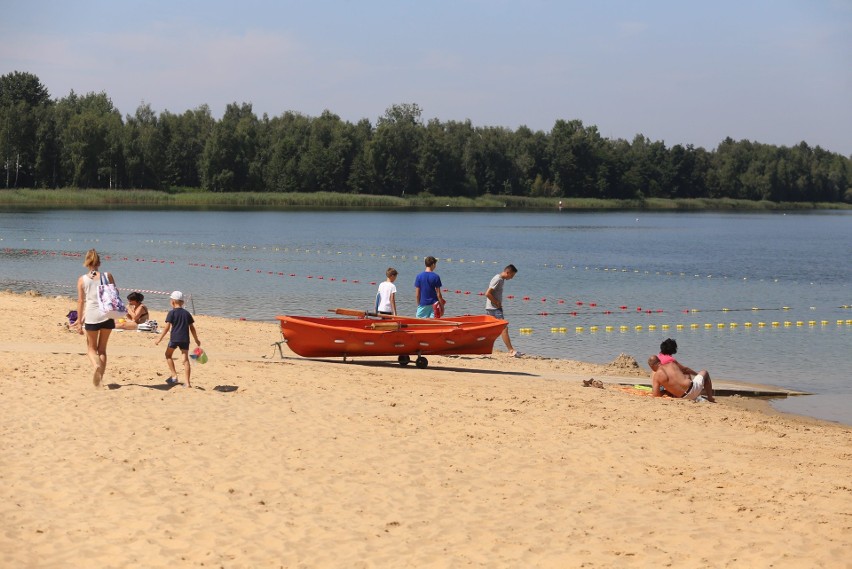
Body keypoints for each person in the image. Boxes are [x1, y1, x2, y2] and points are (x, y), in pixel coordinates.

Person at [74, 248, 116, 388]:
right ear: (99, 262)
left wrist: (79, 321)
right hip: (107, 315)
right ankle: (100, 379)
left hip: (92, 315)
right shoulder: (108, 276)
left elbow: (81, 302)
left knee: (91, 349)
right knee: (102, 350)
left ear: (86, 262)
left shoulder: (82, 280)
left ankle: (96, 365)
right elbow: (114, 295)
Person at [155, 291, 201, 388]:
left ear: (172, 301)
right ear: (182, 302)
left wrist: (159, 339)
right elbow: (192, 327)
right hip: (185, 339)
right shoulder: (187, 313)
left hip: (174, 339)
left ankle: (174, 375)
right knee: (185, 360)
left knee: (168, 355)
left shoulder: (171, 313)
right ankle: (188, 383)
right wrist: (196, 339)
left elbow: (167, 327)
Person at [648, 338, 715, 402]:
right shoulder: (672, 363)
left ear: (651, 366)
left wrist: (665, 391)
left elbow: (656, 395)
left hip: (682, 396)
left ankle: (697, 394)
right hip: (692, 389)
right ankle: (710, 398)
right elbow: (685, 370)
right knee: (704, 372)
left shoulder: (656, 375)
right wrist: (696, 374)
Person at [485, 264, 522, 357]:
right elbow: (487, 293)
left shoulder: (500, 279)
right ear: (507, 272)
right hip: (494, 308)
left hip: (493, 308)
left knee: (490, 330)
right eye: (512, 275)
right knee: (504, 328)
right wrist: (497, 303)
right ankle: (511, 350)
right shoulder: (498, 279)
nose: (512, 278)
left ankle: (483, 349)